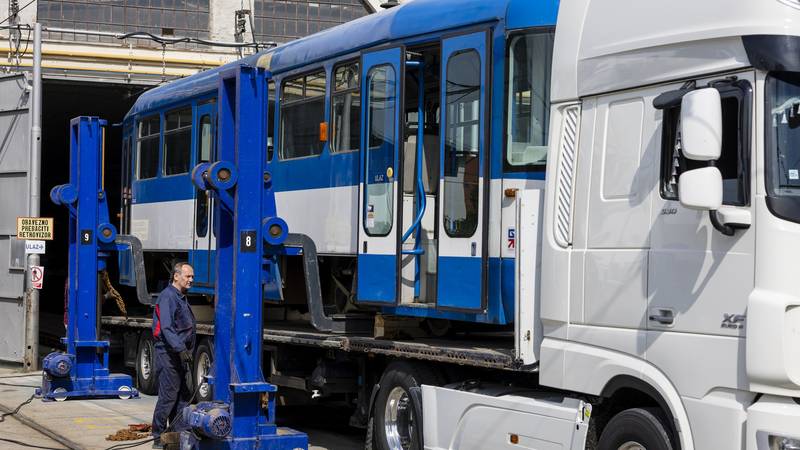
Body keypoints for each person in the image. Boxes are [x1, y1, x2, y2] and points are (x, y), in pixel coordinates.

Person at [151, 262, 196, 449]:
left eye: (192, 277)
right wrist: (180, 349)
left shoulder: (180, 297)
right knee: (169, 396)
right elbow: (167, 328)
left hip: (177, 353)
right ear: (176, 276)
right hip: (168, 353)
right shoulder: (168, 297)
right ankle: (157, 436)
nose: (191, 280)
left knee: (182, 396)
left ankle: (178, 435)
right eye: (188, 276)